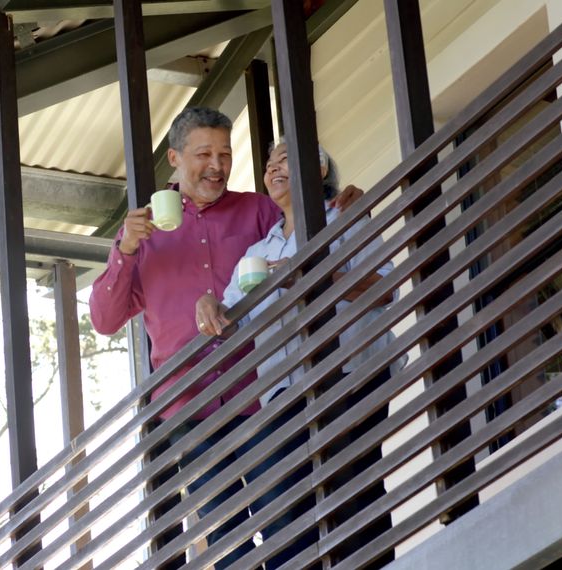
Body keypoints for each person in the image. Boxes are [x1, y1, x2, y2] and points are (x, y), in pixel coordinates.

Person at [89, 107, 363, 569]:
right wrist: (125, 249)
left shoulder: (256, 210)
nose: (216, 165)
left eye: (224, 153)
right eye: (203, 154)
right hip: (189, 408)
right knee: (225, 539)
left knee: (284, 519)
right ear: (174, 158)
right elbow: (104, 319)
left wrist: (338, 197)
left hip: (257, 391)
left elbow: (302, 224)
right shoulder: (144, 234)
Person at [195, 141, 403, 567]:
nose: (273, 167)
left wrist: (311, 276)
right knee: (288, 503)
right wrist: (210, 305)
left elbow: (385, 287)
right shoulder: (258, 253)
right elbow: (233, 321)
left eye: (285, 158)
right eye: (269, 163)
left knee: (352, 488)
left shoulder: (345, 217)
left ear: (320, 166)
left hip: (350, 375)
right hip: (284, 391)